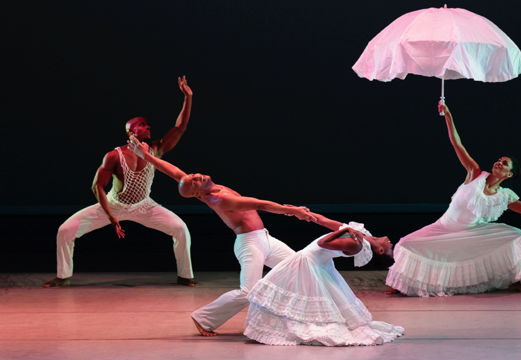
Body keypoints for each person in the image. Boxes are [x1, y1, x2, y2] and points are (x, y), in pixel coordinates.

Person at [127, 136, 316, 336]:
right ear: (196, 194)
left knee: (300, 266)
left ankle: (301, 315)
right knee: (248, 291)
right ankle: (204, 318)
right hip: (250, 243)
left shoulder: (205, 189)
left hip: (264, 238)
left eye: (194, 175)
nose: (197, 176)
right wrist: (293, 211)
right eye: (194, 181)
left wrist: (146, 155)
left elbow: (173, 172)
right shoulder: (220, 199)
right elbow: (260, 204)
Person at [385, 103, 521, 297]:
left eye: (505, 163)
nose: (499, 162)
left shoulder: (505, 196)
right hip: (444, 227)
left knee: (516, 236)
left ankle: (517, 280)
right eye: (499, 160)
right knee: (407, 243)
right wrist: (448, 116)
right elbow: (458, 144)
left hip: (472, 233)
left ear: (509, 174)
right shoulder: (475, 174)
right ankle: (402, 284)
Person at [43, 76, 198, 288]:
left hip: (145, 206)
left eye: (148, 125)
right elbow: (96, 186)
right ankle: (63, 277)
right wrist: (111, 216)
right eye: (142, 125)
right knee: (65, 230)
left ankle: (185, 276)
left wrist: (188, 97)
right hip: (114, 205)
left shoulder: (155, 150)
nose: (148, 127)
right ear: (131, 131)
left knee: (181, 228)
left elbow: (179, 128)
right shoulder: (114, 156)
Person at [244, 213, 403, 346]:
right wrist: (307, 215)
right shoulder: (362, 235)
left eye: (390, 250)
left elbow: (322, 242)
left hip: (309, 262)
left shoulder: (356, 244)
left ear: (380, 251)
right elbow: (325, 222)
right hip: (315, 261)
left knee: (302, 296)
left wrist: (347, 229)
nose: (392, 244)